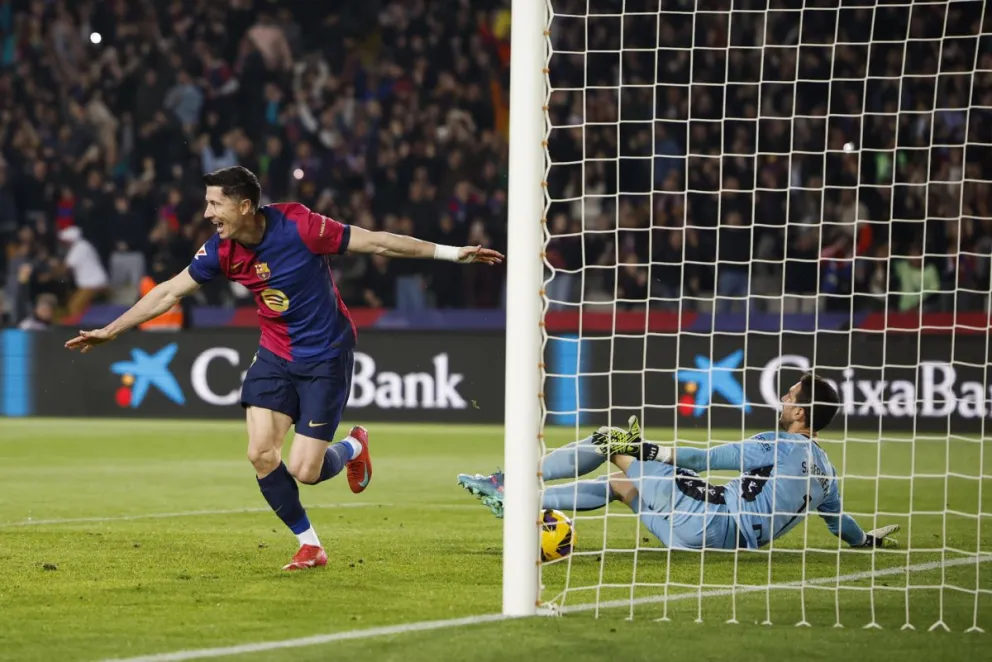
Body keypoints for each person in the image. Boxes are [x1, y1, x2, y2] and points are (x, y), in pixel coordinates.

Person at [66, 166, 503, 570]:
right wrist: (112, 330)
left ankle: (352, 447)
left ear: (244, 206)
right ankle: (310, 544)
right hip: (275, 356)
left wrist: (451, 254)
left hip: (326, 357)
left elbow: (376, 241)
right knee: (260, 453)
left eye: (215, 203)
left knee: (305, 471)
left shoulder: (300, 225)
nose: (207, 213)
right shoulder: (221, 251)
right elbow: (169, 292)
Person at [458, 372, 900, 551]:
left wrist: (652, 451)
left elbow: (708, 458)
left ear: (800, 413)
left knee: (610, 440)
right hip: (710, 539)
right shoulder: (826, 470)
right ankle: (525, 497)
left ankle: (509, 483)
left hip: (706, 515)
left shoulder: (780, 444)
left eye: (790, 396)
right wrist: (867, 542)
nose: (783, 398)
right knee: (623, 486)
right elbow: (841, 524)